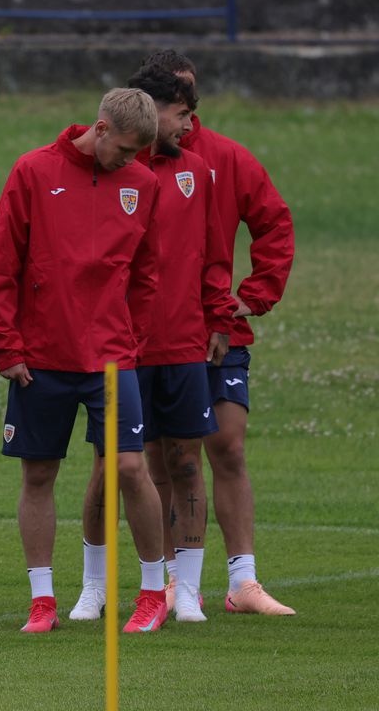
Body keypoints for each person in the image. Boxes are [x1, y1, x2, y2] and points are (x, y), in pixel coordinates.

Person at [0, 88, 170, 634]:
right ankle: (42, 602)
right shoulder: (34, 171)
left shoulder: (144, 184)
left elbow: (147, 275)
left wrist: (132, 342)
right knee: (39, 474)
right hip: (41, 357)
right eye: (127, 150)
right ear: (101, 128)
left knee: (131, 468)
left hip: (113, 358)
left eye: (140, 154)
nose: (131, 162)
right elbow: (0, 265)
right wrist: (5, 348)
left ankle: (153, 593)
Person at [70, 67, 235, 625]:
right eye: (182, 114)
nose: (189, 125)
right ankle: (94, 586)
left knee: (187, 463)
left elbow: (214, 256)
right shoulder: (108, 171)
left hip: (184, 342)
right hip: (119, 348)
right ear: (152, 111)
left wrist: (218, 317)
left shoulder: (196, 172)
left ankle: (185, 590)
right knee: (108, 466)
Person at [140, 49, 297, 615]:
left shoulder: (226, 156)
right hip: (151, 340)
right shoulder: (131, 158)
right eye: (178, 101)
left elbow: (274, 223)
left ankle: (242, 580)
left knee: (226, 445)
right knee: (158, 463)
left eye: (192, 99)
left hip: (218, 331)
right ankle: (163, 586)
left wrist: (249, 300)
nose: (188, 114)